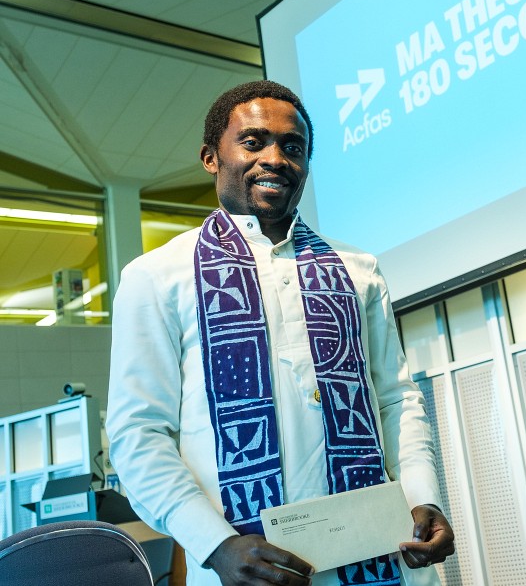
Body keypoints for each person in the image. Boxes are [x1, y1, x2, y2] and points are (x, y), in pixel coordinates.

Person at [107, 80, 454, 586]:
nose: (275, 158)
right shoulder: (157, 277)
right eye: (253, 142)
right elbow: (139, 435)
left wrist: (423, 496)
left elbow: (396, 400)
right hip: (245, 569)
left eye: (293, 147)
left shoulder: (358, 271)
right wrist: (216, 545)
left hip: (379, 554)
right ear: (211, 157)